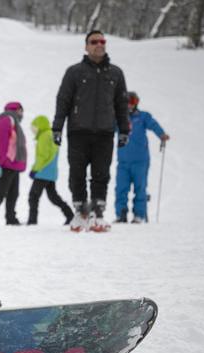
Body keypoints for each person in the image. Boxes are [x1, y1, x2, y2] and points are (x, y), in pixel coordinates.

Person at [52, 30, 130, 232]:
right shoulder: (74, 72)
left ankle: (97, 214)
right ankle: (80, 212)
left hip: (105, 132)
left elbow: (121, 104)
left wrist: (124, 130)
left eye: (102, 41)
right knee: (76, 173)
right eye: (94, 41)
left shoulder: (116, 73)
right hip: (78, 131)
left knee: (101, 175)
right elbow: (63, 101)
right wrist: (57, 127)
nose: (99, 44)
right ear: (86, 46)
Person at [114, 91, 170, 223]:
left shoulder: (142, 117)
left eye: (132, 102)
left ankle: (139, 215)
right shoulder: (118, 119)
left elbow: (153, 124)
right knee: (121, 188)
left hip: (140, 161)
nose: (129, 105)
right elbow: (108, 128)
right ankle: (121, 214)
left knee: (140, 188)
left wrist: (161, 134)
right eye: (127, 102)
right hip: (123, 161)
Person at [27, 115, 74, 225]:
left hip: (43, 171)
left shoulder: (44, 136)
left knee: (33, 196)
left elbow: (43, 156)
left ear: (40, 126)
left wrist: (35, 170)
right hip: (50, 172)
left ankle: (32, 220)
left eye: (35, 128)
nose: (34, 131)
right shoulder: (51, 135)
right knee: (53, 196)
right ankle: (70, 215)